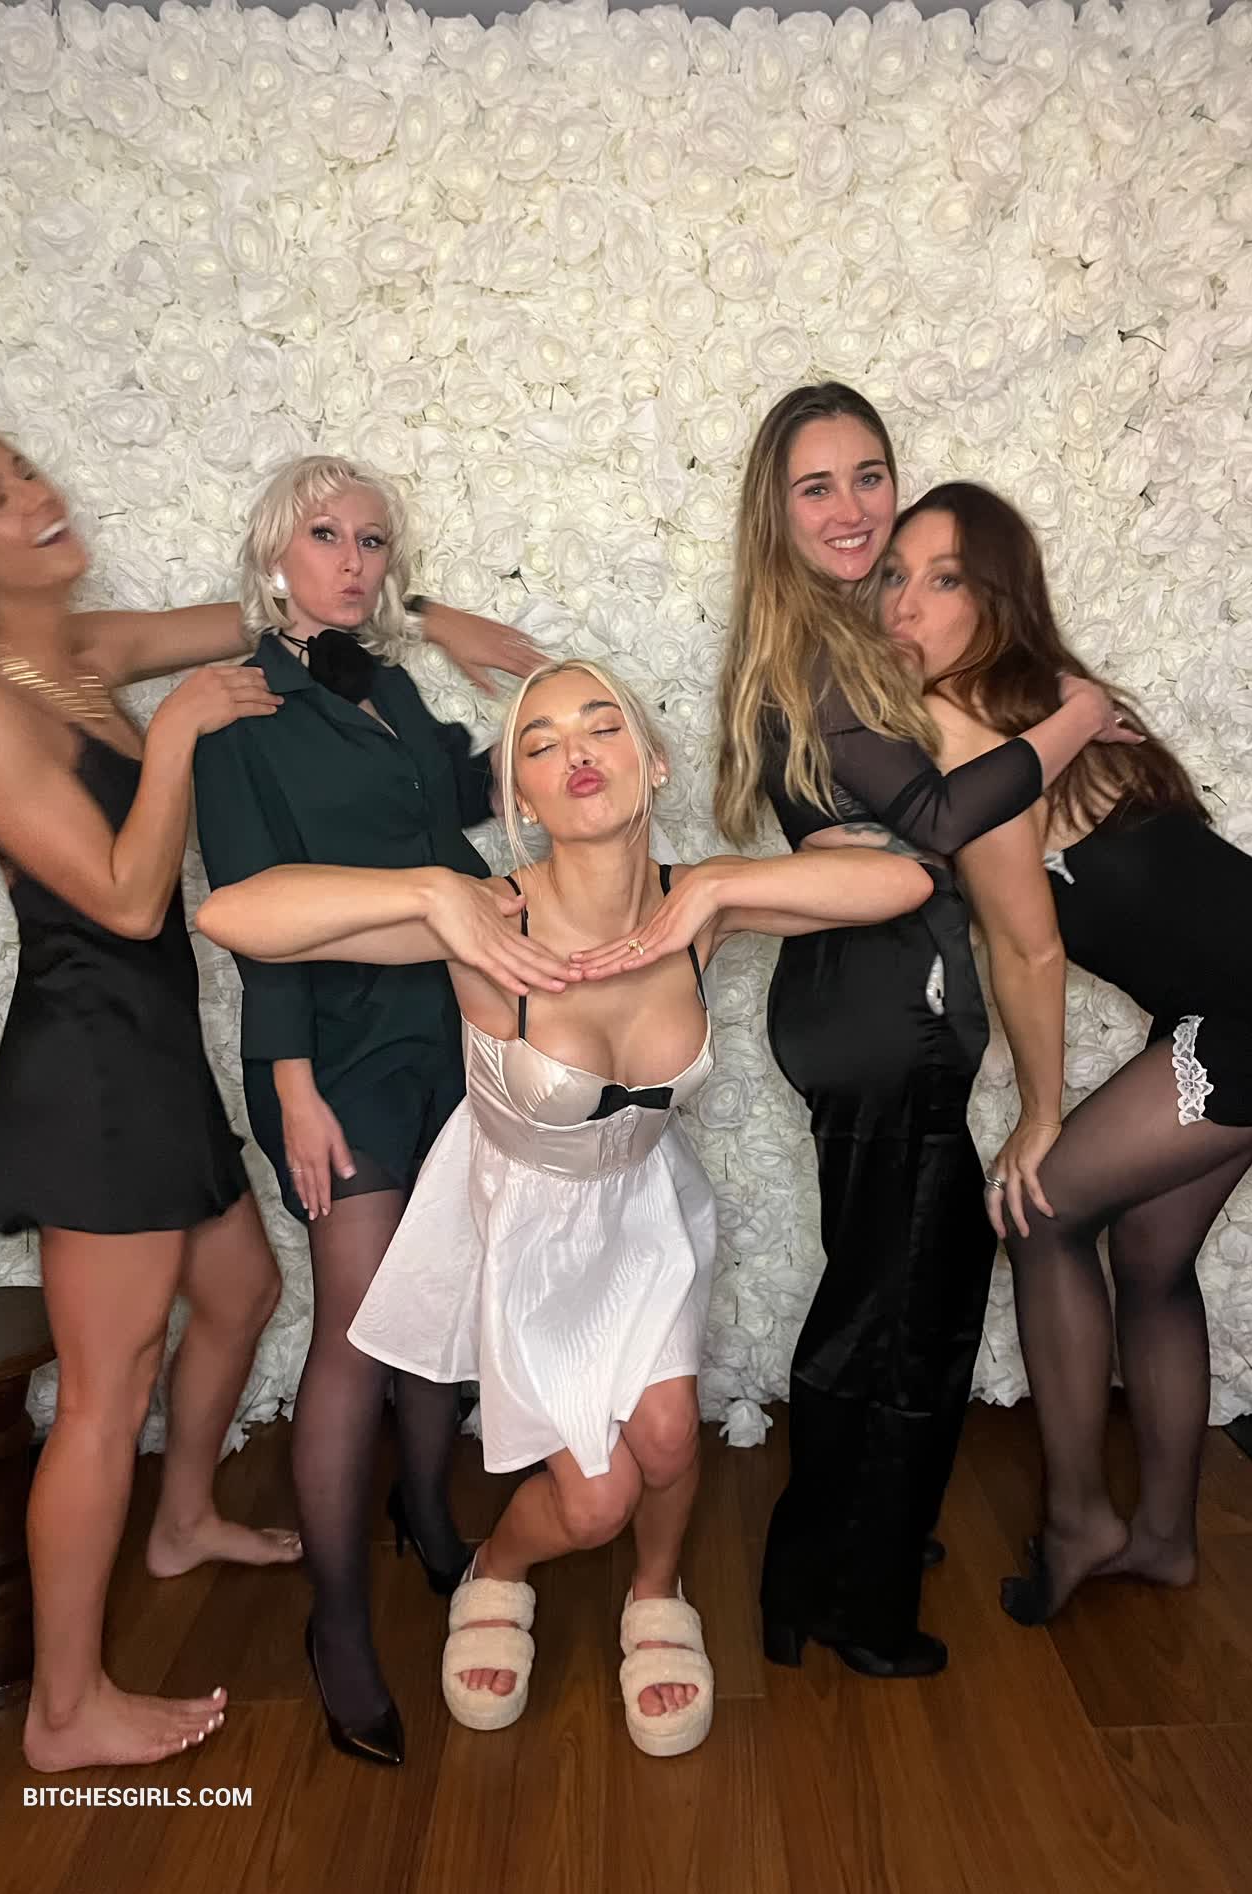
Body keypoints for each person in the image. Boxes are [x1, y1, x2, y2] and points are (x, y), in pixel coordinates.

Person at [196, 657, 934, 1756]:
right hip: (526, 1230)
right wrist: (428, 892)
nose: (577, 754)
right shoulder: (485, 919)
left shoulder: (694, 908)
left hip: (644, 1210)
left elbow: (903, 881)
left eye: (603, 728)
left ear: (653, 763)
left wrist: (722, 884)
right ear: (521, 798)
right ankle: (498, 1568)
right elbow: (232, 915)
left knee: (670, 1438)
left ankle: (657, 1591)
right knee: (592, 1500)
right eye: (541, 745)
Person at [882, 480, 1252, 1623]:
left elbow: (1029, 948)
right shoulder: (1044, 707)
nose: (904, 603)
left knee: (1041, 1209)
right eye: (894, 576)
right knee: (1147, 1253)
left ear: (995, 595)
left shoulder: (977, 728)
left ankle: (1080, 1520)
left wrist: (1040, 1113)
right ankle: (1163, 1540)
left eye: (942, 578)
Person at [715, 383, 1136, 1679]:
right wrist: (1073, 718)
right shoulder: (815, 652)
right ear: (776, 514)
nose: (852, 508)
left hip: (864, 1009)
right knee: (912, 1319)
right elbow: (948, 818)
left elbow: (913, 821)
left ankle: (827, 1558)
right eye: (817, 486)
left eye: (869, 476)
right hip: (877, 1015)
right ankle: (858, 1599)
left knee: (881, 1295)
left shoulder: (843, 641)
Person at [0, 421, 295, 1772]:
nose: (38, 496)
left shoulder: (84, 654)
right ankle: (63, 1709)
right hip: (88, 1070)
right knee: (104, 1392)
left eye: (26, 470)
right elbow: (132, 899)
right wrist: (184, 731)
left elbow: (266, 610)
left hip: (152, 1052)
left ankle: (183, 1518)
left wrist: (423, 611)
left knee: (244, 1288)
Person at [191, 454, 534, 1768]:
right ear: (275, 553)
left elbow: (445, 813)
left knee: (440, 1289)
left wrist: (558, 736)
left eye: (372, 540)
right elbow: (253, 913)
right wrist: (291, 1089)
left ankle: (428, 1514)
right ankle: (336, 1623)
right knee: (356, 1324)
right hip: (332, 1048)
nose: (351, 559)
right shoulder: (237, 709)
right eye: (325, 534)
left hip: (445, 1022)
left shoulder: (386, 684)